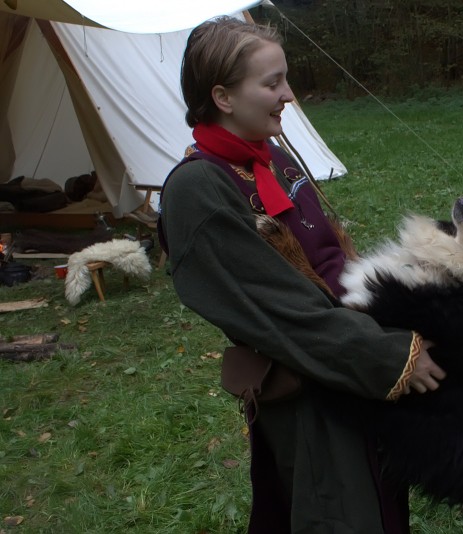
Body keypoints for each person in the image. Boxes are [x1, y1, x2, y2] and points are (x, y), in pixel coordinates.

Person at [158, 16, 445, 533]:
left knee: (381, 504)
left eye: (284, 78)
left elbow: (332, 262)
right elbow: (282, 314)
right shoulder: (197, 190)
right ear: (222, 96)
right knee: (340, 514)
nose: (289, 94)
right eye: (271, 83)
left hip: (352, 363)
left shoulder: (273, 157)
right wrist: (389, 354)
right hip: (309, 392)